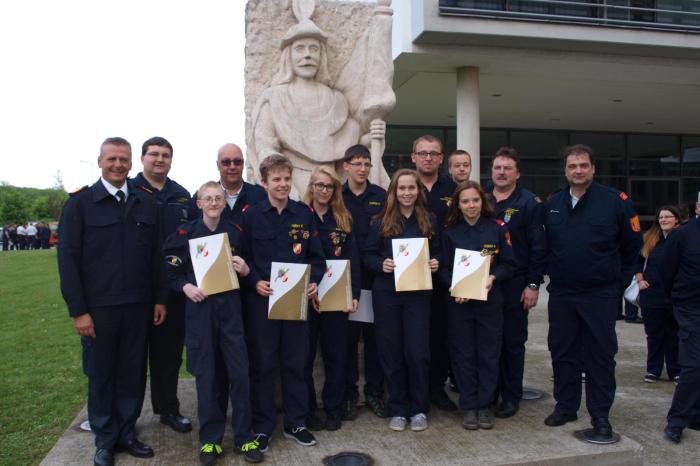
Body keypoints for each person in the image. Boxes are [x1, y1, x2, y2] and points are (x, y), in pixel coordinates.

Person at [58, 137, 167, 466]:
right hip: (99, 310)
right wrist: (79, 312)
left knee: (133, 373)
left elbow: (156, 257)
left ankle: (126, 432)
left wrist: (160, 299)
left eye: (124, 159)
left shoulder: (146, 204)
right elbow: (68, 261)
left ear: (132, 164)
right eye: (112, 159)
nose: (118, 165)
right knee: (102, 374)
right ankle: (105, 440)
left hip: (137, 306)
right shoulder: (80, 205)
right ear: (100, 162)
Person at [542, 144, 642, 440]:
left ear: (593, 168)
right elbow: (544, 247)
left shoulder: (615, 202)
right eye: (572, 166)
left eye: (583, 165)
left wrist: (616, 283)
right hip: (562, 294)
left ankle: (600, 416)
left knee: (600, 356)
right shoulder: (553, 203)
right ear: (566, 170)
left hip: (599, 295)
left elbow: (632, 246)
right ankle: (566, 406)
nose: (578, 171)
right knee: (562, 352)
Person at [162, 181, 263, 465]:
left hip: (231, 313)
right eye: (208, 198)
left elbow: (250, 268)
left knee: (240, 376)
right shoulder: (185, 234)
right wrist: (185, 287)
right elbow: (170, 272)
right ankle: (210, 441)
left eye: (218, 198)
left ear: (223, 202)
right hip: (200, 312)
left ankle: (244, 438)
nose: (214, 202)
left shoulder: (235, 232)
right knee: (206, 378)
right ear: (199, 203)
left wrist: (245, 270)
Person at [241, 154, 325, 450]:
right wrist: (253, 281)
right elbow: (241, 258)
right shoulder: (251, 216)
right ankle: (263, 427)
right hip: (262, 304)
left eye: (287, 179)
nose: (283, 184)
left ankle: (296, 423)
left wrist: (313, 280)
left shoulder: (303, 214)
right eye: (276, 179)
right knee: (263, 366)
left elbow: (316, 257)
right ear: (263, 183)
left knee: (297, 364)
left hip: (295, 303)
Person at [363, 168, 440, 432]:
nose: (407, 193)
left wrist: (435, 263)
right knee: (391, 352)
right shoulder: (380, 222)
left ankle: (419, 408)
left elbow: (440, 254)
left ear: (419, 191)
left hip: (418, 296)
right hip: (387, 295)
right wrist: (379, 264)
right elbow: (367, 256)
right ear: (394, 192)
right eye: (402, 188)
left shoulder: (429, 220)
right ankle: (398, 408)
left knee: (418, 353)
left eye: (411, 188)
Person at [440, 181, 516, 430]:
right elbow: (442, 267)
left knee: (488, 353)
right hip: (459, 304)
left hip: (489, 302)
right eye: (465, 201)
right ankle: (469, 405)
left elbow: (509, 264)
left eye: (475, 200)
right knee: (463, 355)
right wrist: (452, 286)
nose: (471, 205)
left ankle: (484, 405)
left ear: (482, 202)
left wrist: (494, 277)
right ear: (457, 205)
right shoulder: (450, 231)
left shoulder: (496, 229)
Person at [133, 136, 193, 433]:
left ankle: (169, 408)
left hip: (172, 290)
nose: (160, 159)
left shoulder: (181, 196)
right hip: (136, 290)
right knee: (131, 359)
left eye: (165, 155)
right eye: (154, 154)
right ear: (142, 158)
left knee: (168, 355)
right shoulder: (128, 193)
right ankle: (127, 417)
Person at [487, 147, 546, 419]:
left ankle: (511, 397)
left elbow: (538, 246)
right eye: (498, 168)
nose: (501, 172)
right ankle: (490, 392)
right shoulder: (483, 198)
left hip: (515, 283)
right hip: (485, 282)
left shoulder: (529, 202)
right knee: (489, 341)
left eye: (507, 168)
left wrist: (533, 284)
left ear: (517, 173)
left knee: (512, 342)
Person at [302, 166, 361, 432]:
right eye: (319, 185)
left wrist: (355, 294)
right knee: (303, 358)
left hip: (337, 297)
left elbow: (354, 260)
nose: (324, 190)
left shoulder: (343, 219)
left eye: (329, 186)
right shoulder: (300, 216)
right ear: (311, 187)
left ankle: (333, 409)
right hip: (306, 296)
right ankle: (309, 410)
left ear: (335, 190)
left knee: (336, 357)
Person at [411, 135, 457, 412]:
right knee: (414, 336)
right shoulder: (402, 187)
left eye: (433, 153)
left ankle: (437, 388)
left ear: (441, 159)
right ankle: (413, 390)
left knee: (441, 334)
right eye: (422, 153)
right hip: (409, 277)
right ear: (413, 157)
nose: (428, 158)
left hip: (443, 274)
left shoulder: (454, 190)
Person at [341, 144, 387, 420]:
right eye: (356, 163)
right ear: (345, 166)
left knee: (375, 341)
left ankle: (374, 392)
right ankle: (348, 394)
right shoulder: (337, 195)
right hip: (343, 280)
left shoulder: (381, 196)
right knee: (346, 342)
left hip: (374, 280)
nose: (362, 168)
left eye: (366, 163)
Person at [659, 209, 700, 444]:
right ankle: (677, 420)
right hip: (691, 307)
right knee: (694, 365)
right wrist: (678, 299)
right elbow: (666, 271)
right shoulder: (682, 235)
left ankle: (696, 414)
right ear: (697, 208)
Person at [634, 205, 680, 384]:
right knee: (654, 334)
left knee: (673, 334)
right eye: (661, 217)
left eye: (668, 217)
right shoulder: (649, 238)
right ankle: (653, 370)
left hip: (674, 295)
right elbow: (637, 262)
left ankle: (675, 371)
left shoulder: (681, 238)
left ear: (676, 219)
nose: (664, 220)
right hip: (652, 295)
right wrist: (640, 280)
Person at [214, 143, 266, 225]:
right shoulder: (203, 198)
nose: (232, 167)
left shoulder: (261, 196)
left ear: (243, 164)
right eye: (226, 162)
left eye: (237, 161)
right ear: (217, 165)